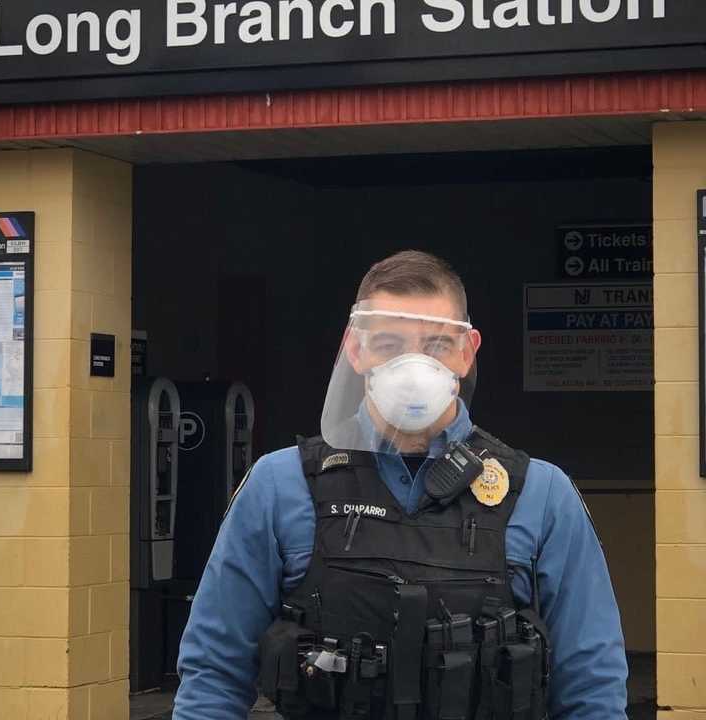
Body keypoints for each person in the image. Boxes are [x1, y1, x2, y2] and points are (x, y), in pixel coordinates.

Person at [173, 250, 628, 720]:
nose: (414, 368)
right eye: (389, 344)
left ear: (467, 352)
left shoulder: (541, 495)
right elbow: (214, 675)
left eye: (435, 345)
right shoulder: (281, 485)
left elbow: (591, 687)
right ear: (356, 350)